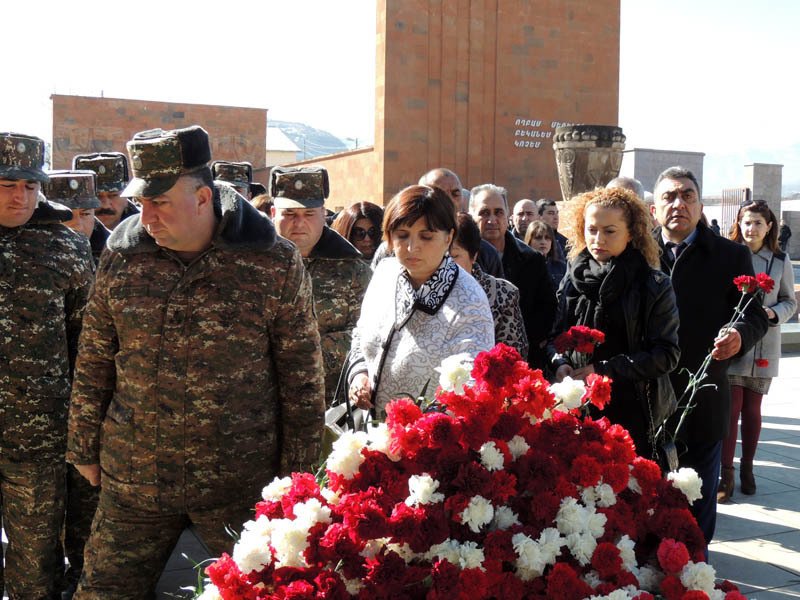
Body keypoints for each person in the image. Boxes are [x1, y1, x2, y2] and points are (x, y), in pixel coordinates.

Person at [67, 126, 325, 598]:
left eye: (159, 202)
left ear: (203, 197)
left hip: (237, 480)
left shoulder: (271, 262)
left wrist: (297, 477)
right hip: (136, 476)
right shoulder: (123, 258)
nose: (145, 217)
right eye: (141, 202)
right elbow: (95, 356)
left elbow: (302, 377)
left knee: (268, 591)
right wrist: (83, 446)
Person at [651, 166, 768, 555]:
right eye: (669, 196)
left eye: (687, 196)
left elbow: (754, 315)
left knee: (698, 498)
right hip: (647, 397)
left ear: (700, 206)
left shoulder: (729, 255)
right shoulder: (638, 253)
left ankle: (694, 568)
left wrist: (740, 336)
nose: (678, 204)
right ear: (654, 209)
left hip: (704, 396)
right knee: (648, 498)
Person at [0, 132, 94, 599]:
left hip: (35, 435)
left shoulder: (66, 247)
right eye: (7, 185)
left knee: (34, 561)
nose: (20, 197)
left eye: (30, 186)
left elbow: (88, 347)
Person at [546, 187, 681, 458]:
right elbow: (553, 338)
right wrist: (559, 363)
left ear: (630, 233)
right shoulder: (571, 279)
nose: (598, 239)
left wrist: (604, 369)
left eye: (609, 231)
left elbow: (667, 354)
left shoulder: (653, 284)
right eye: (592, 230)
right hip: (577, 407)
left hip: (632, 410)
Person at [348, 185, 494, 418]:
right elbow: (361, 332)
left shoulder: (469, 299)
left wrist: (418, 428)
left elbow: (467, 385)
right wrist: (359, 374)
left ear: (448, 238)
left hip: (428, 434)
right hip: (370, 426)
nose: (412, 247)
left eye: (426, 236)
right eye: (402, 235)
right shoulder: (385, 273)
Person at [271, 166, 372, 406]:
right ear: (273, 213)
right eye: (289, 213)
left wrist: (301, 350)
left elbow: (368, 338)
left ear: (323, 214)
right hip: (263, 406)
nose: (299, 223)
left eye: (309, 214)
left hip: (329, 408)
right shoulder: (250, 266)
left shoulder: (354, 271)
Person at [719, 201, 796, 502]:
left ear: (769, 227)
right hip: (732, 342)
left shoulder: (779, 260)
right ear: (739, 224)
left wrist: (773, 313)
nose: (751, 229)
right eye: (747, 222)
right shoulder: (727, 256)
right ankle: (726, 473)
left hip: (765, 344)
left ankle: (747, 468)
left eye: (758, 223)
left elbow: (790, 301)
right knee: (731, 409)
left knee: (752, 410)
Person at [470, 184, 557, 366]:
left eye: (498, 212)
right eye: (484, 213)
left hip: (522, 361)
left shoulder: (532, 259)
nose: (492, 219)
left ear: (507, 215)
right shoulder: (461, 260)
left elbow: (547, 309)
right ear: (471, 216)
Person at [371, 167, 504, 278]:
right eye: (439, 194)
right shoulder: (389, 250)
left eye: (455, 193)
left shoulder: (485, 252)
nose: (449, 201)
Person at [450, 212, 528, 359]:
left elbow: (513, 356)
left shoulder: (502, 293)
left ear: (473, 256)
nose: (446, 263)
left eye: (454, 256)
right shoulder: (424, 291)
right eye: (441, 256)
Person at [44, 170, 111, 266]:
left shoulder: (113, 252)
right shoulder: (28, 252)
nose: (78, 227)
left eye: (85, 214)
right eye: (67, 216)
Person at [73, 152, 139, 230]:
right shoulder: (70, 231)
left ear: (126, 198)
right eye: (97, 196)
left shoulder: (146, 226)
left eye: (113, 195)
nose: (105, 205)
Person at [524, 220, 567, 290]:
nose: (543, 242)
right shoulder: (522, 266)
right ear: (529, 241)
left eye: (547, 238)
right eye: (538, 238)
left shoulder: (561, 267)